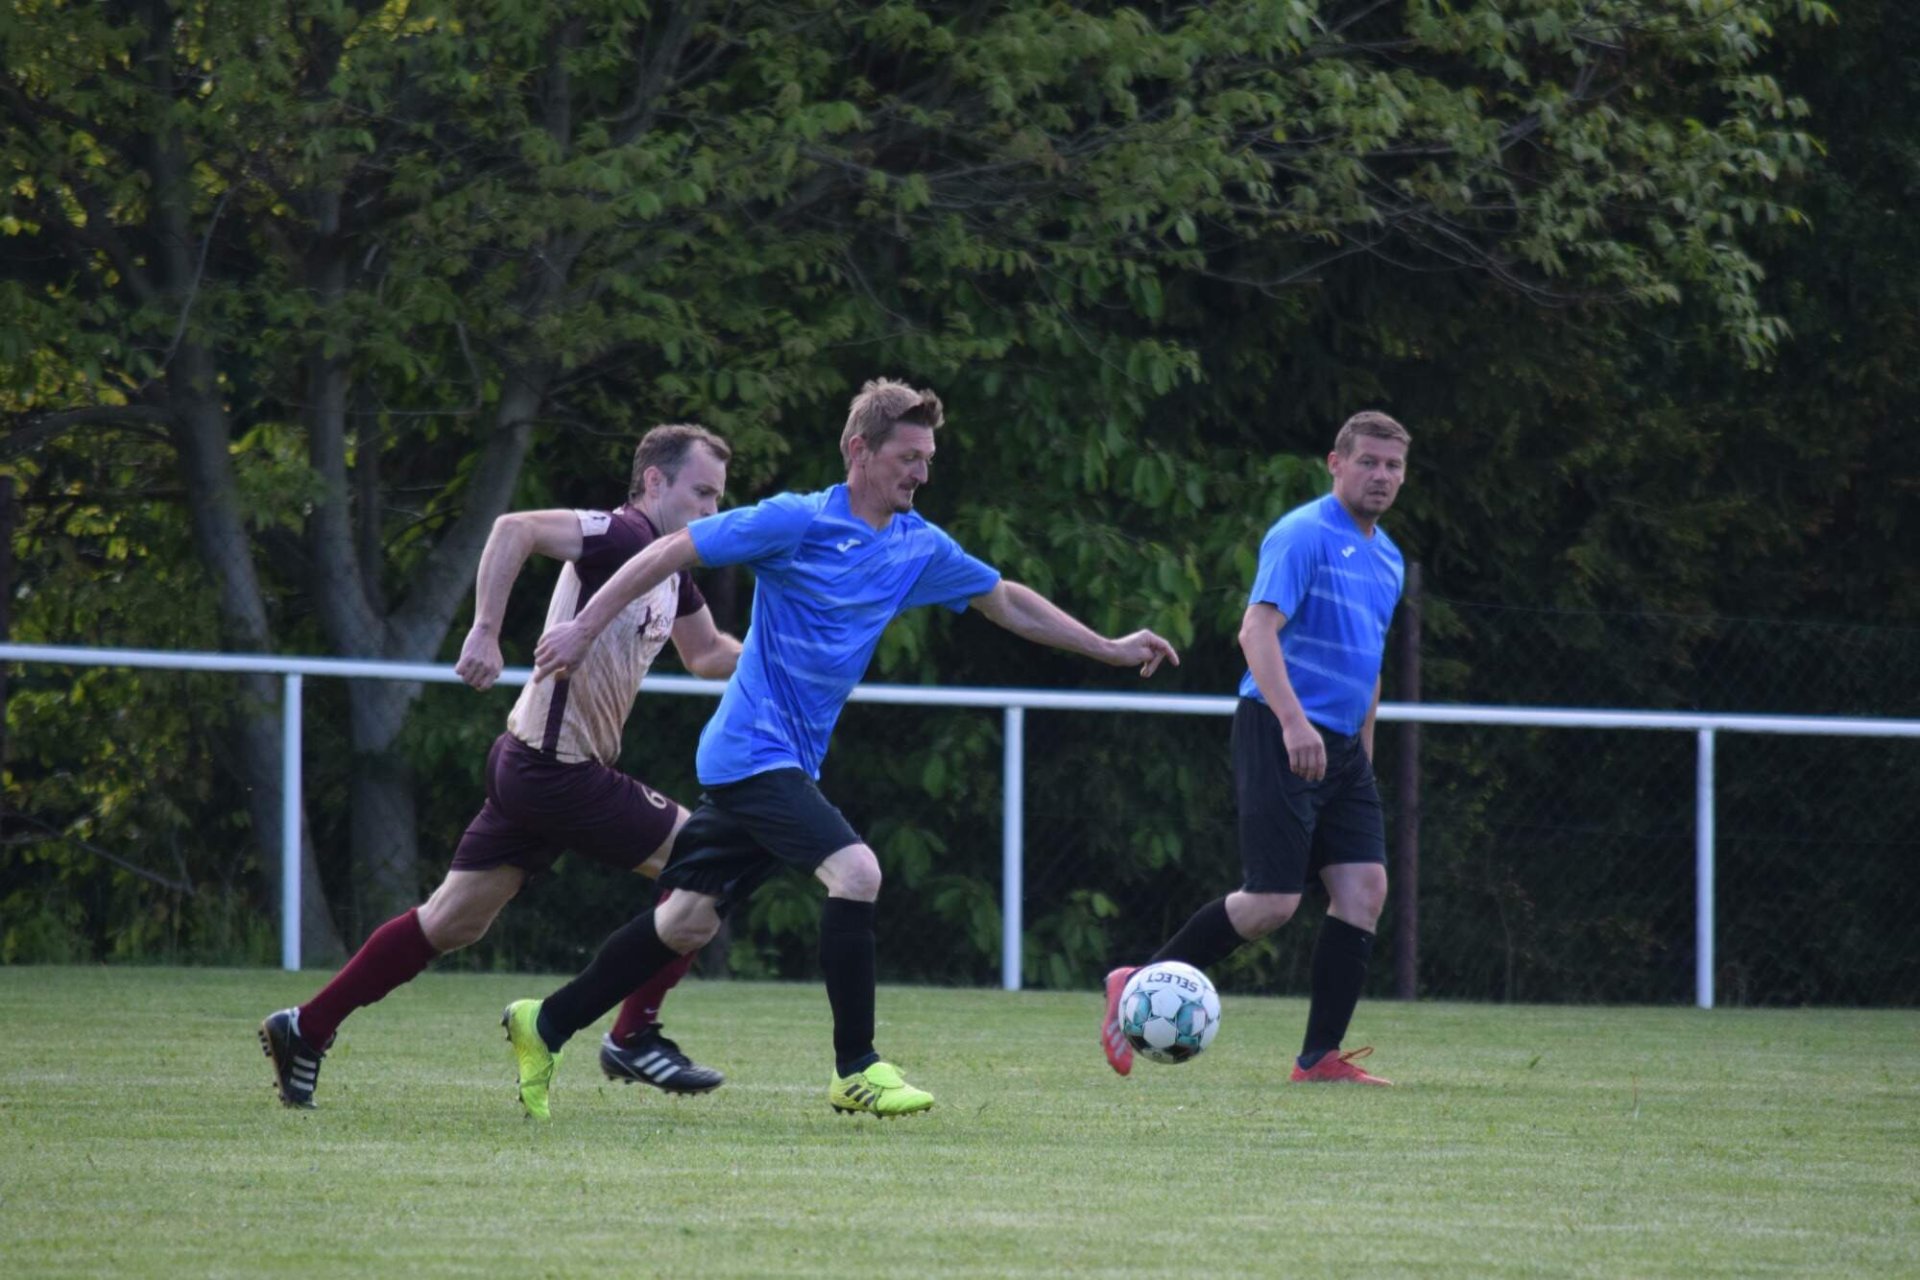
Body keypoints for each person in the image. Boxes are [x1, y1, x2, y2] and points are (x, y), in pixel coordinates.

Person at [499, 377, 1180, 1119]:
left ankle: (548, 1022)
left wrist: (1109, 647)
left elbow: (1006, 600)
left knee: (686, 920)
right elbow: (669, 551)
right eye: (908, 457)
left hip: (786, 760)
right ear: (859, 450)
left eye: (928, 459)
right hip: (751, 751)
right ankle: (856, 1068)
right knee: (856, 872)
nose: (921, 473)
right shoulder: (796, 520)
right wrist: (584, 626)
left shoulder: (918, 546)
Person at [259, 424, 742, 1109]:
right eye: (702, 493)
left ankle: (305, 1028)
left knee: (452, 921)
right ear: (655, 481)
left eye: (718, 498)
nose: (712, 511)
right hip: (557, 770)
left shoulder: (669, 567)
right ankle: (633, 1035)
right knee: (708, 860)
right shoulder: (621, 534)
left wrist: (793, 656)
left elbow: (707, 654)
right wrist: (484, 629)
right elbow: (514, 527)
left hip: (531, 766)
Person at [1100, 411, 1410, 1086]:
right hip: (1279, 728)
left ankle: (1319, 1059)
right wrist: (1295, 723)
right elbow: (1255, 632)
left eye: (1393, 465)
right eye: (1368, 462)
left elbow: (1370, 664)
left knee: (1364, 889)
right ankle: (1136, 984)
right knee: (1272, 903)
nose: (1381, 476)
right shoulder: (1302, 534)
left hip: (1342, 749)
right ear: (1336, 463)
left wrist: (1364, 750)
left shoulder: (1389, 559)